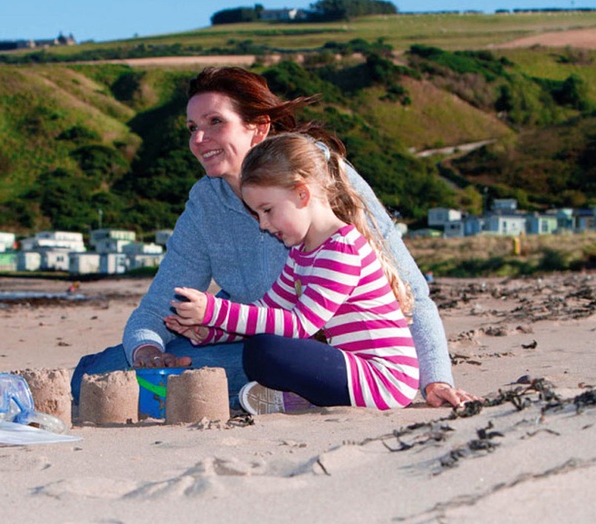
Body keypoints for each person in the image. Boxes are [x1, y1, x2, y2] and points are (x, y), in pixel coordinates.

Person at [71, 66, 478, 409]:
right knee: (93, 374)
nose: (199, 139)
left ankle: (204, 392)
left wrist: (435, 379)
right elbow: (161, 305)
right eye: (192, 127)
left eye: (216, 122)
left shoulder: (318, 176)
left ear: (258, 127)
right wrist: (148, 353)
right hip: (247, 338)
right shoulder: (205, 202)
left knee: (251, 359)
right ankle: (183, 388)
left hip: (324, 353)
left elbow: (414, 294)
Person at [164, 133, 419, 413]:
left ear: (302, 194)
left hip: (385, 380)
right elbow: (267, 309)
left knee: (266, 351)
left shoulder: (341, 249)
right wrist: (211, 331)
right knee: (263, 349)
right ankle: (298, 399)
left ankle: (298, 397)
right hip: (351, 367)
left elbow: (301, 325)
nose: (263, 224)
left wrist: (215, 311)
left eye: (267, 210)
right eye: (257, 214)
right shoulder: (302, 253)